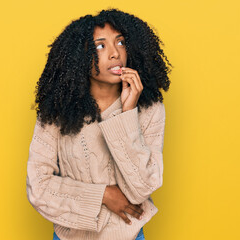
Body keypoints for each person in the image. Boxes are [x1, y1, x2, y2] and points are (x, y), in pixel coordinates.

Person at [26, 8, 172, 240]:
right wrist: (102, 195)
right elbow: (38, 187)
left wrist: (128, 113)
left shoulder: (149, 109)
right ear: (79, 56)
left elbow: (143, 187)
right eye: (101, 46)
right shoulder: (56, 111)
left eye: (121, 42)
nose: (115, 54)